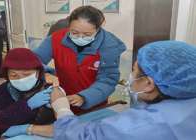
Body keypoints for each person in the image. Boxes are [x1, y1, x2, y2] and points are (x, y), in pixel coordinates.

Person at [49, 41, 196, 140]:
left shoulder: (144, 125)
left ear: (149, 84)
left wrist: (62, 110)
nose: (130, 77)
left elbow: (83, 137)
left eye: (133, 71)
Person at [34, 6, 126, 114]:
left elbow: (107, 80)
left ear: (98, 29)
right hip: (63, 101)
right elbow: (34, 61)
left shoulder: (110, 46)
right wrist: (46, 72)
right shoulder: (56, 39)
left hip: (94, 104)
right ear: (69, 26)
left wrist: (84, 97)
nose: (80, 37)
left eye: (87, 34)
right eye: (74, 32)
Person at [0, 48, 57, 138]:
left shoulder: (49, 87)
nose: (21, 79)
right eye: (14, 75)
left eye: (26, 74)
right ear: (6, 75)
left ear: (38, 72)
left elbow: (63, 121)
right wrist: (27, 106)